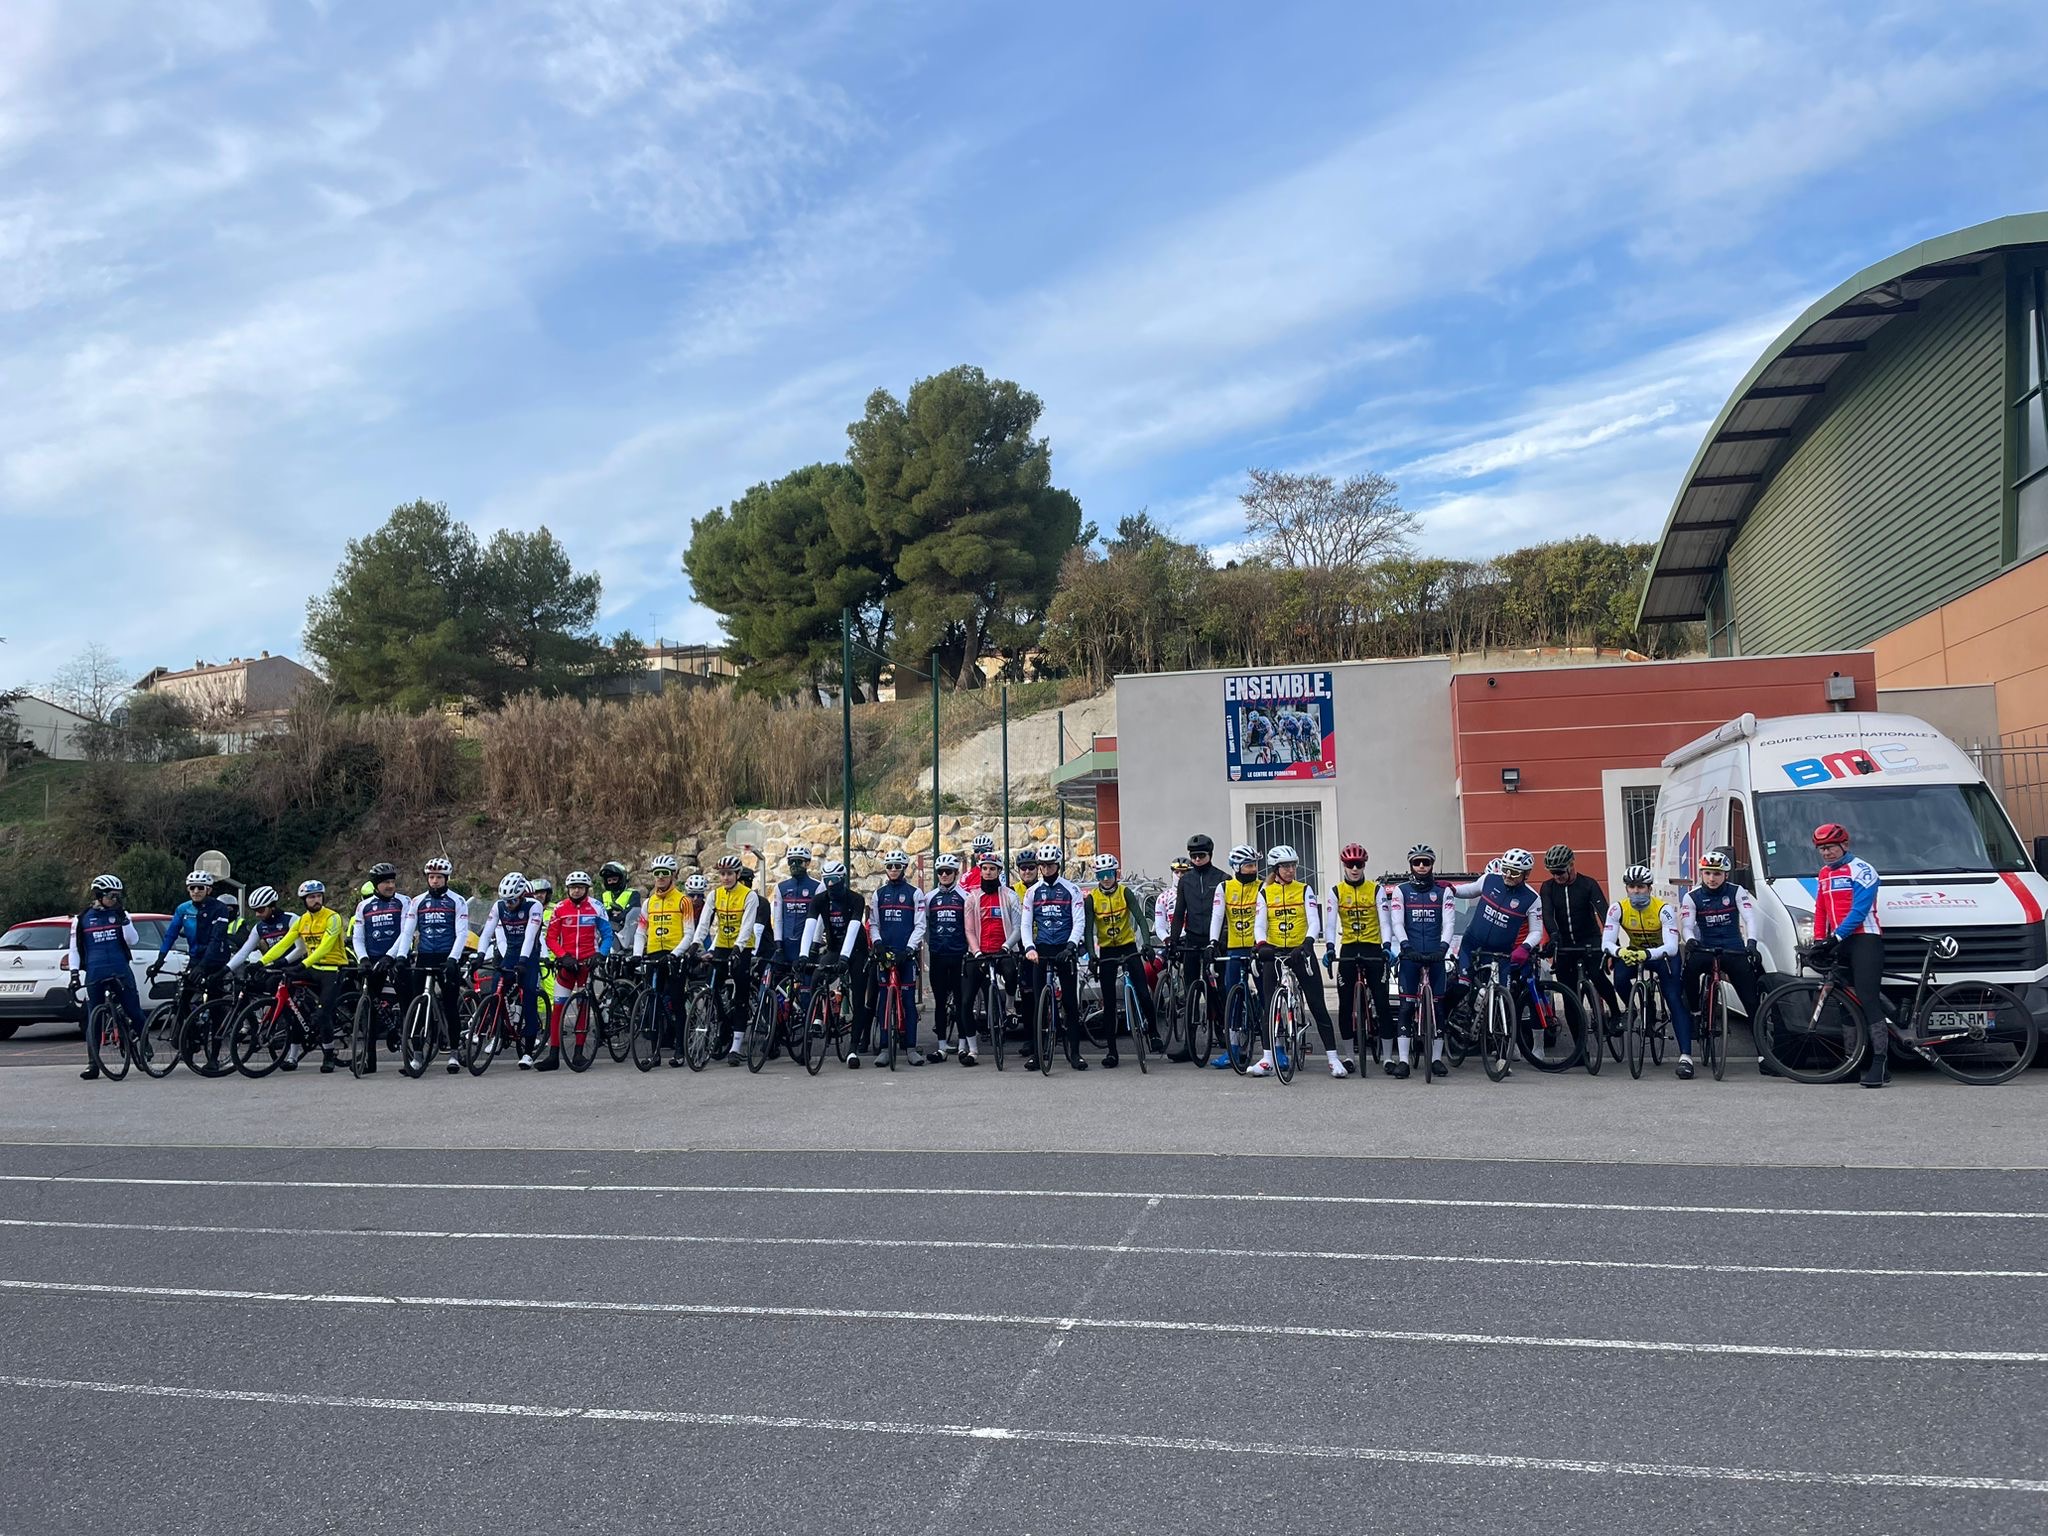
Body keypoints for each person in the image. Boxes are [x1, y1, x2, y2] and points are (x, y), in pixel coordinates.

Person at [1248, 845, 1348, 1078]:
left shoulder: (1304, 889)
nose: (1291, 870)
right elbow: (1260, 924)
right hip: (1274, 953)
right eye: (1286, 866)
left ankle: (1333, 1059)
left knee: (1317, 1005)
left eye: (1294, 865)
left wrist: (1308, 943)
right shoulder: (1265, 893)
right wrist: (1262, 944)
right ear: (1276, 868)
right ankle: (1266, 1059)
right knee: (1268, 1006)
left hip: (1301, 951)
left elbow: (1314, 920)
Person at [1807, 822, 1886, 1087]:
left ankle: (1880, 1064)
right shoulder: (1824, 874)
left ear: (1845, 845)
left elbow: (1859, 911)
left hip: (1865, 939)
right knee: (1844, 1002)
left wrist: (1835, 937)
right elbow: (1821, 909)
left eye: (1830, 848)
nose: (1826, 853)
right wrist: (1820, 940)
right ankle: (1851, 1063)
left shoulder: (1862, 870)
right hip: (1840, 941)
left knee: (1867, 999)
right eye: (1822, 849)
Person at [1449, 849, 1546, 1056]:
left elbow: (1537, 930)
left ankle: (1502, 1047)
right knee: (1463, 985)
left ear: (1526, 874)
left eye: (1514, 873)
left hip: (1501, 954)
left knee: (1502, 995)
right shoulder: (1490, 879)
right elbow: (1468, 891)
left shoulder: (1532, 898)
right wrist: (1449, 889)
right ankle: (1445, 1021)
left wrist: (1525, 947)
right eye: (1506, 870)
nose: (1508, 876)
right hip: (1472, 946)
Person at [1604, 864, 1692, 1078]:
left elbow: (1672, 947)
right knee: (1620, 980)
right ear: (1626, 888)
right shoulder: (1618, 909)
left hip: (1662, 956)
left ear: (1649, 888)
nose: (1636, 891)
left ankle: (1686, 1057)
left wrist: (1648, 954)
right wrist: (1620, 951)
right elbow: (1606, 943)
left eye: (1641, 887)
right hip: (1633, 952)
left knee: (1673, 997)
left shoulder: (1664, 909)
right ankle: (1637, 1009)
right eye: (1631, 886)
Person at [1679, 851, 1766, 1066]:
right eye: (1707, 873)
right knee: (1688, 973)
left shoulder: (1737, 892)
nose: (1712, 878)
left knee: (1751, 1000)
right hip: (1704, 947)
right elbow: (1687, 926)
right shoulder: (1692, 896)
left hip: (1733, 948)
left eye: (1717, 873)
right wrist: (1690, 940)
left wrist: (1752, 943)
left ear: (1725, 875)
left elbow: (1749, 918)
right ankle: (1696, 1012)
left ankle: (1764, 1054)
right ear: (1701, 874)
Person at [261, 880, 352, 1072]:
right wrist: (263, 962)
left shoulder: (333, 917)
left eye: (319, 896)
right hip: (312, 968)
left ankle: (329, 1055)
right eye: (311, 897)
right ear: (304, 900)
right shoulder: (302, 920)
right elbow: (284, 944)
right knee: (292, 1007)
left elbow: (325, 946)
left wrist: (303, 964)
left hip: (332, 969)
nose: (316, 900)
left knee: (323, 1014)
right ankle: (292, 1055)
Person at [1083, 853, 1159, 1068]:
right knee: (1108, 1004)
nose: (1106, 879)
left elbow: (1141, 919)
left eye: (1109, 874)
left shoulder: (1125, 892)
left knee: (1144, 993)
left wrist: (1147, 944)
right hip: (1107, 951)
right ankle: (1112, 1051)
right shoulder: (1092, 899)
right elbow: (1089, 930)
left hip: (1128, 946)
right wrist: (1092, 955)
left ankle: (1153, 1033)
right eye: (1101, 875)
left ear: (1115, 874)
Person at [1386, 845, 1456, 1078]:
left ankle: (1436, 1059)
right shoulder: (1401, 891)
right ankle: (1404, 1061)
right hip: (1410, 955)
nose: (1422, 866)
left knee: (1438, 1007)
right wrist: (1405, 946)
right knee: (1406, 1006)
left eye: (1426, 862)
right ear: (1411, 866)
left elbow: (1449, 923)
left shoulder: (1442, 891)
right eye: (1417, 862)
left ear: (1432, 865)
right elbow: (1397, 922)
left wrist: (1443, 948)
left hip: (1436, 954)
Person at [152, 869, 235, 1063]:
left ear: (209, 890)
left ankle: (213, 1057)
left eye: (200, 888)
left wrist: (204, 967)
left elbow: (217, 939)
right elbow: (171, 934)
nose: (196, 891)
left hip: (215, 960)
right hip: (196, 957)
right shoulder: (183, 909)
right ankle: (189, 1039)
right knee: (183, 1000)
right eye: (192, 888)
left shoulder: (219, 909)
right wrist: (159, 960)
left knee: (214, 1006)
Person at [67, 875, 144, 1081]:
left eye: (118, 896)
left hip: (120, 970)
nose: (115, 899)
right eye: (111, 895)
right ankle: (93, 1064)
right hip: (95, 972)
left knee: (134, 1011)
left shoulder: (121, 914)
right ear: (99, 895)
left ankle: (144, 1047)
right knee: (94, 1018)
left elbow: (133, 940)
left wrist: (124, 918)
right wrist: (74, 974)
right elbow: (73, 950)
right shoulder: (81, 919)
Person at [1020, 841, 1087, 1070]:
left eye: (1050, 865)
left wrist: (1071, 946)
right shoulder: (1032, 892)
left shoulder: (1071, 889)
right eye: (1043, 865)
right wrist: (1029, 947)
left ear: (1057, 865)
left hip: (1064, 947)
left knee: (1070, 1002)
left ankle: (1075, 1054)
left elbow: (1079, 920)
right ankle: (1038, 1056)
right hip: (1042, 949)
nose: (1046, 869)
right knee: (1039, 1003)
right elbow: (1026, 924)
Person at [541, 872, 615, 1070]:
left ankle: (579, 1053)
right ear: (567, 889)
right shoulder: (559, 908)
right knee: (558, 1008)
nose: (576, 890)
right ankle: (553, 1055)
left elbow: (608, 935)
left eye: (580, 887)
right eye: (573, 887)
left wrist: (600, 955)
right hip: (567, 964)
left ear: (587, 889)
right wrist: (562, 956)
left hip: (587, 964)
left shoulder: (596, 907)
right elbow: (550, 938)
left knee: (583, 1006)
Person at [691, 854, 761, 1064]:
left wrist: (738, 949)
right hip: (722, 945)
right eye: (722, 874)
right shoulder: (714, 895)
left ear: (738, 875)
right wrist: (695, 944)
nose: (726, 878)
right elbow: (705, 922)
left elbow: (747, 925)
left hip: (743, 947)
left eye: (730, 874)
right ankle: (721, 1018)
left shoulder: (749, 896)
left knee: (741, 994)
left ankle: (736, 1047)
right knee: (712, 985)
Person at [801, 859, 870, 1067]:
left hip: (856, 950)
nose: (830, 885)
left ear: (843, 880)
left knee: (858, 997)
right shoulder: (820, 899)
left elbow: (853, 929)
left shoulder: (855, 899)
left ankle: (853, 1049)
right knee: (816, 976)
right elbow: (810, 925)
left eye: (834, 880)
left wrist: (844, 958)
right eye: (826, 880)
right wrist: (804, 955)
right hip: (833, 948)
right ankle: (818, 1019)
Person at [1324, 843, 1385, 1071]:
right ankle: (1349, 1056)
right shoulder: (1336, 891)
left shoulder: (1376, 889)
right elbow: (1330, 924)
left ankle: (1388, 1057)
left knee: (1381, 1001)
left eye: (1359, 864)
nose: (1355, 868)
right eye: (1351, 864)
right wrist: (1330, 947)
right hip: (1349, 947)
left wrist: (1386, 945)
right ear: (1344, 866)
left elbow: (1385, 921)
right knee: (1345, 1003)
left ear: (1364, 865)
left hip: (1372, 947)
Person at [348, 862, 413, 1072]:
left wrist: (390, 956)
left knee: (406, 1006)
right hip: (373, 959)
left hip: (397, 958)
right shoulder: (364, 906)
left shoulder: (404, 902)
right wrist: (363, 958)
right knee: (369, 1011)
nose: (390, 885)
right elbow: (358, 937)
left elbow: (406, 932)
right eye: (385, 882)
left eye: (392, 881)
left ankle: (412, 1056)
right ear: (375, 885)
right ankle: (369, 1060)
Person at [864, 849, 927, 1064]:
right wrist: (878, 943)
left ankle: (910, 1048)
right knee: (883, 1001)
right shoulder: (879, 894)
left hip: (905, 955)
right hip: (885, 954)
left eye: (897, 866)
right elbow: (874, 923)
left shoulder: (914, 893)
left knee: (908, 1001)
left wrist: (910, 949)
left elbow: (920, 925)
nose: (893, 870)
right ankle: (884, 1047)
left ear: (904, 869)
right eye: (889, 866)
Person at [408, 859, 471, 1074]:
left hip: (447, 956)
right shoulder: (417, 901)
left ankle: (454, 1052)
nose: (434, 881)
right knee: (417, 1006)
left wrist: (454, 958)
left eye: (439, 877)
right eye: (431, 877)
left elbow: (462, 932)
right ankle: (417, 1054)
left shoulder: (457, 901)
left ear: (446, 879)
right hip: (424, 955)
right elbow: (407, 931)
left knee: (450, 1004)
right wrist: (400, 956)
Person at [477, 873, 545, 1068]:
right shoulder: (499, 906)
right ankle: (498, 1032)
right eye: (505, 901)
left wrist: (523, 961)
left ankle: (529, 1050)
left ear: (522, 896)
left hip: (529, 955)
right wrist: (481, 955)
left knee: (529, 997)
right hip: (510, 953)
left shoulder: (534, 906)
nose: (508, 905)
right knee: (495, 992)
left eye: (513, 900)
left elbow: (530, 937)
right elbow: (487, 931)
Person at [1207, 843, 1266, 1068]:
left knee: (1265, 994)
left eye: (1255, 865)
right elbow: (1217, 916)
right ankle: (1232, 1050)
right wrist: (1212, 943)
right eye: (1249, 865)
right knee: (1232, 1000)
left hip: (1257, 947)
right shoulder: (1224, 887)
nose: (1253, 869)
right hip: (1234, 948)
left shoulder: (1262, 886)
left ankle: (1271, 1048)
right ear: (1237, 867)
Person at [1168, 834, 1226, 1061]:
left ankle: (1223, 1034)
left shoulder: (1222, 878)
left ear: (1210, 855)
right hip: (1192, 940)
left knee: (1218, 991)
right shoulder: (1186, 880)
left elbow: (1226, 915)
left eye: (1201, 855)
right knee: (1191, 992)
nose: (1197, 860)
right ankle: (1189, 1046)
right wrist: (1173, 941)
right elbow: (1179, 913)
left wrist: (1220, 941)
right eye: (1194, 856)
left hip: (1215, 942)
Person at [632, 856, 692, 1067]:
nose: (660, 878)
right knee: (653, 1003)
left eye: (664, 874)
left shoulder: (683, 901)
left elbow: (689, 933)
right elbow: (641, 930)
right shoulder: (649, 902)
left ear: (673, 876)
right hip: (655, 954)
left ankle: (679, 1051)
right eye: (656, 874)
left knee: (676, 1003)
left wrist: (675, 954)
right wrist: (638, 954)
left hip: (675, 955)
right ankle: (655, 1053)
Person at [965, 853, 1021, 1065]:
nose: (988, 872)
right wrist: (976, 951)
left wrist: (1007, 946)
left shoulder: (1010, 896)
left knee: (1010, 971)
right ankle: (972, 1050)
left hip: (1002, 949)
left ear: (999, 872)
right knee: (966, 1000)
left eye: (992, 869)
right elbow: (969, 929)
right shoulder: (972, 897)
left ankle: (1009, 1005)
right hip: (979, 952)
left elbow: (1017, 927)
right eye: (985, 869)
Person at [923, 853, 974, 1062]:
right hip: (938, 955)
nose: (944, 875)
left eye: (948, 872)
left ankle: (962, 1045)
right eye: (940, 872)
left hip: (959, 955)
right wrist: (932, 945)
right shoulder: (929, 898)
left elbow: (970, 926)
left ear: (955, 873)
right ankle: (942, 1047)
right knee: (940, 1001)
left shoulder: (965, 897)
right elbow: (925, 927)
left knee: (962, 1002)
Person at [227, 886, 294, 977]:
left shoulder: (291, 919)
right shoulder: (259, 927)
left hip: (296, 965)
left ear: (272, 906)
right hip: (275, 967)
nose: (257, 914)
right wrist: (226, 969)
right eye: (255, 910)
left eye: (260, 910)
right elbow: (243, 952)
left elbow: (301, 948)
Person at [597, 861, 642, 941]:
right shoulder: (603, 896)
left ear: (622, 879)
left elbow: (633, 913)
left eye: (614, 879)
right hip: (605, 935)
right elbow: (597, 915)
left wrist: (622, 914)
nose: (612, 882)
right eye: (609, 880)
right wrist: (609, 913)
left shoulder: (633, 894)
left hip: (627, 936)